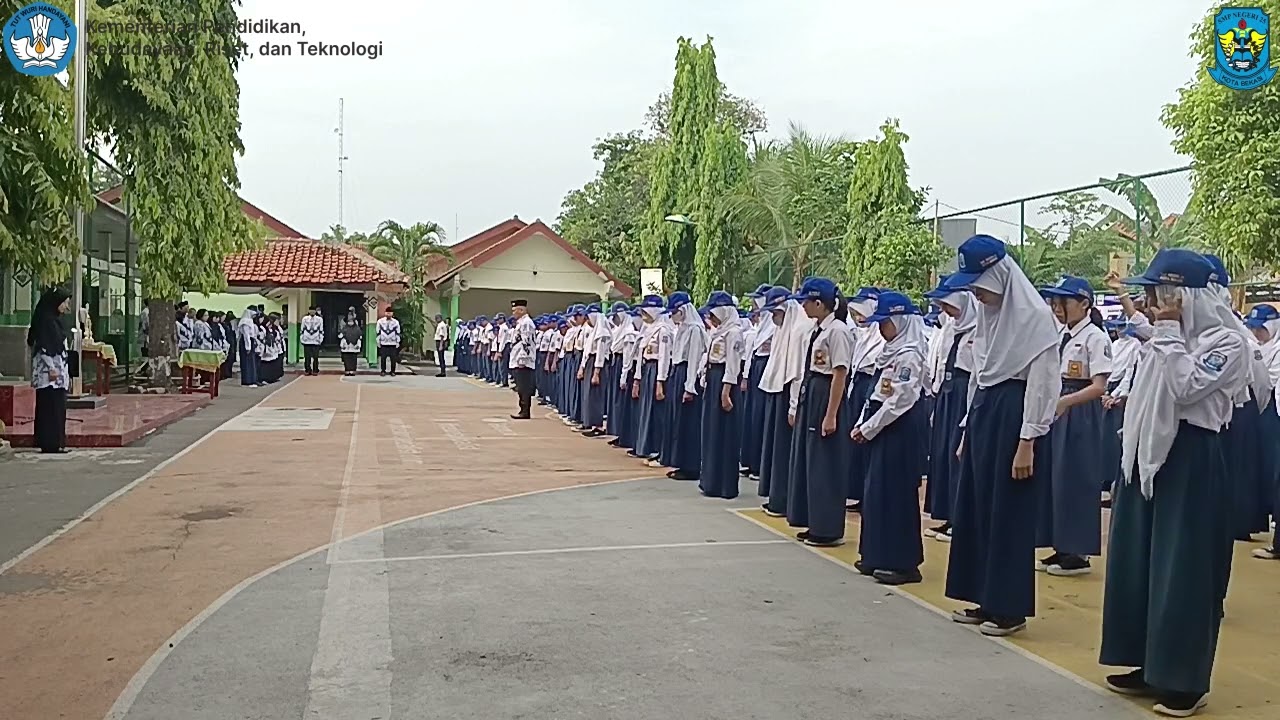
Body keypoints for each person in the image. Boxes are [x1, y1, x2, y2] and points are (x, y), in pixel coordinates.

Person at [1099, 248, 1244, 718]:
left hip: (1191, 458)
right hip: (1147, 456)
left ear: (1190, 296)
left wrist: (1164, 332)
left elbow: (1186, 388)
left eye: (1165, 292)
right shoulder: (1166, 338)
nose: (1158, 302)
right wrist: (1161, 331)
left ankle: (1183, 679)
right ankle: (1146, 663)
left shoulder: (1227, 342)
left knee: (1183, 570)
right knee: (1139, 562)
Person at [943, 235, 1060, 638]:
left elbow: (1043, 385)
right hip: (984, 414)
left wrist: (1027, 440)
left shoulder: (1035, 323)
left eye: (980, 283)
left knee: (1008, 513)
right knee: (977, 508)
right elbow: (979, 376)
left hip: (1015, 417)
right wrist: (965, 431)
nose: (975, 292)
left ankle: (1009, 608)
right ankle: (981, 596)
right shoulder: (989, 321)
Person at [1036, 275, 1112, 577]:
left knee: (1077, 477)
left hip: (1079, 411)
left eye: (1063, 301)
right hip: (1058, 405)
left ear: (1084, 303)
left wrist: (1066, 403)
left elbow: (1099, 386)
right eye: (1054, 302)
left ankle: (1077, 552)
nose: (1057, 308)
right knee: (1057, 478)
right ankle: (1061, 544)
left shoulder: (1095, 338)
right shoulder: (1061, 335)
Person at [852, 291, 930, 584]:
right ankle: (876, 554)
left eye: (886, 322)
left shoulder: (910, 354)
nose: (882, 329)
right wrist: (863, 422)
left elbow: (901, 400)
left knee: (896, 494)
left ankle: (903, 562)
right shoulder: (889, 353)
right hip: (880, 425)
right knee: (876, 492)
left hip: (899, 429)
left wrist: (870, 427)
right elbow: (875, 392)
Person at [786, 277, 853, 548]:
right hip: (813, 392)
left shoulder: (837, 331)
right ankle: (814, 520)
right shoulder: (818, 330)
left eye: (807, 301)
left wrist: (831, 414)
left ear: (819, 302)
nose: (803, 306)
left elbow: (840, 373)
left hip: (826, 394)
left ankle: (827, 528)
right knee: (812, 462)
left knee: (825, 465)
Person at [921, 279, 977, 542]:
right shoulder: (950, 330)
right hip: (946, 391)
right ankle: (946, 514)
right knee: (942, 453)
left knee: (958, 454)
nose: (946, 310)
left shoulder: (979, 330)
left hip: (964, 392)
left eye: (949, 304)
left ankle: (961, 518)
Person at [761, 287, 812, 517]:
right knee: (776, 450)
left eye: (775, 311)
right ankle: (776, 496)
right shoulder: (782, 330)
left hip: (789, 395)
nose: (772, 316)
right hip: (777, 392)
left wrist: (793, 405)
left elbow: (797, 372)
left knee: (785, 451)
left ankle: (785, 499)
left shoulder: (800, 330)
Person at [696, 291, 746, 498]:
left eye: (714, 314)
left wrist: (726, 393)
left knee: (725, 434)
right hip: (714, 378)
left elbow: (733, 365)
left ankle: (725, 484)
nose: (712, 319)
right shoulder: (718, 332)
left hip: (725, 382)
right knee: (711, 432)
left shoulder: (734, 332)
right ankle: (710, 481)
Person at [844, 287, 886, 514]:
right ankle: (858, 491)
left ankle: (865, 493)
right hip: (858, 384)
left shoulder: (880, 335)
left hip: (870, 384)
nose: (858, 318)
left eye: (861, 312)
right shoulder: (863, 335)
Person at [660, 292, 708, 478]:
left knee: (688, 423)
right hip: (678, 373)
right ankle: (680, 462)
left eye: (674, 312)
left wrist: (689, 387)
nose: (672, 316)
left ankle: (691, 466)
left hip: (688, 376)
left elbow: (694, 358)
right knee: (678, 421)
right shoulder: (682, 328)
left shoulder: (695, 329)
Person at [1246, 303, 1280, 561]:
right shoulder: (1257, 348)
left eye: (1262, 329)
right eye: (1254, 329)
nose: (1258, 334)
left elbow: (1266, 381)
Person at [27, 287, 72, 454]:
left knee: (57, 406)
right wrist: (52, 369)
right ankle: (50, 443)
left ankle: (55, 442)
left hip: (58, 372)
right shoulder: (46, 321)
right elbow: (44, 347)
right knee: (50, 407)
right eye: (65, 302)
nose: (67, 306)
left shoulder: (55, 320)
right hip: (50, 374)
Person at [631, 295, 671, 460]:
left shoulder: (663, 330)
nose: (643, 315)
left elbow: (663, 356)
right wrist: (637, 379)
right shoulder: (648, 329)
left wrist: (660, 381)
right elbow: (641, 355)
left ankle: (657, 448)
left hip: (657, 371)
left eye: (645, 311)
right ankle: (645, 445)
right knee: (646, 409)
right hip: (647, 369)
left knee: (656, 411)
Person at [509, 299, 537, 419]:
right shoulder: (521, 322)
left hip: (523, 361)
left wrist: (522, 359)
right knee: (520, 386)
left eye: (515, 310)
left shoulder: (526, 323)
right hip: (517, 358)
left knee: (524, 387)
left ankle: (525, 410)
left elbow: (526, 342)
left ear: (521, 310)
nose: (513, 313)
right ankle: (523, 409)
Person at [238, 307, 260, 386]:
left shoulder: (250, 321)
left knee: (251, 361)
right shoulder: (245, 322)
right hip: (246, 343)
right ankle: (247, 380)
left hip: (251, 341)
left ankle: (252, 379)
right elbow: (246, 335)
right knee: (246, 361)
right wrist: (248, 347)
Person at [376, 307, 401, 377]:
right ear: (385, 313)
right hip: (383, 343)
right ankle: (383, 371)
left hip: (392, 343)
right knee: (383, 358)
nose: (388, 314)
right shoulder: (380, 321)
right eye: (387, 312)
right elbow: (378, 332)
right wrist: (378, 341)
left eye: (390, 313)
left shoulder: (396, 322)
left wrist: (397, 342)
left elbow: (398, 332)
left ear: (392, 313)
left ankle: (393, 371)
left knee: (393, 359)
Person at [300, 306, 324, 376]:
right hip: (307, 340)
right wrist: (302, 339)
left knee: (315, 357)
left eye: (313, 310)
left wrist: (321, 339)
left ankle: (315, 370)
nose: (312, 312)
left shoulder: (319, 319)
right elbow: (302, 329)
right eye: (311, 310)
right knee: (307, 357)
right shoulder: (305, 319)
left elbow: (321, 330)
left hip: (316, 340)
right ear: (309, 311)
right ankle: (307, 370)